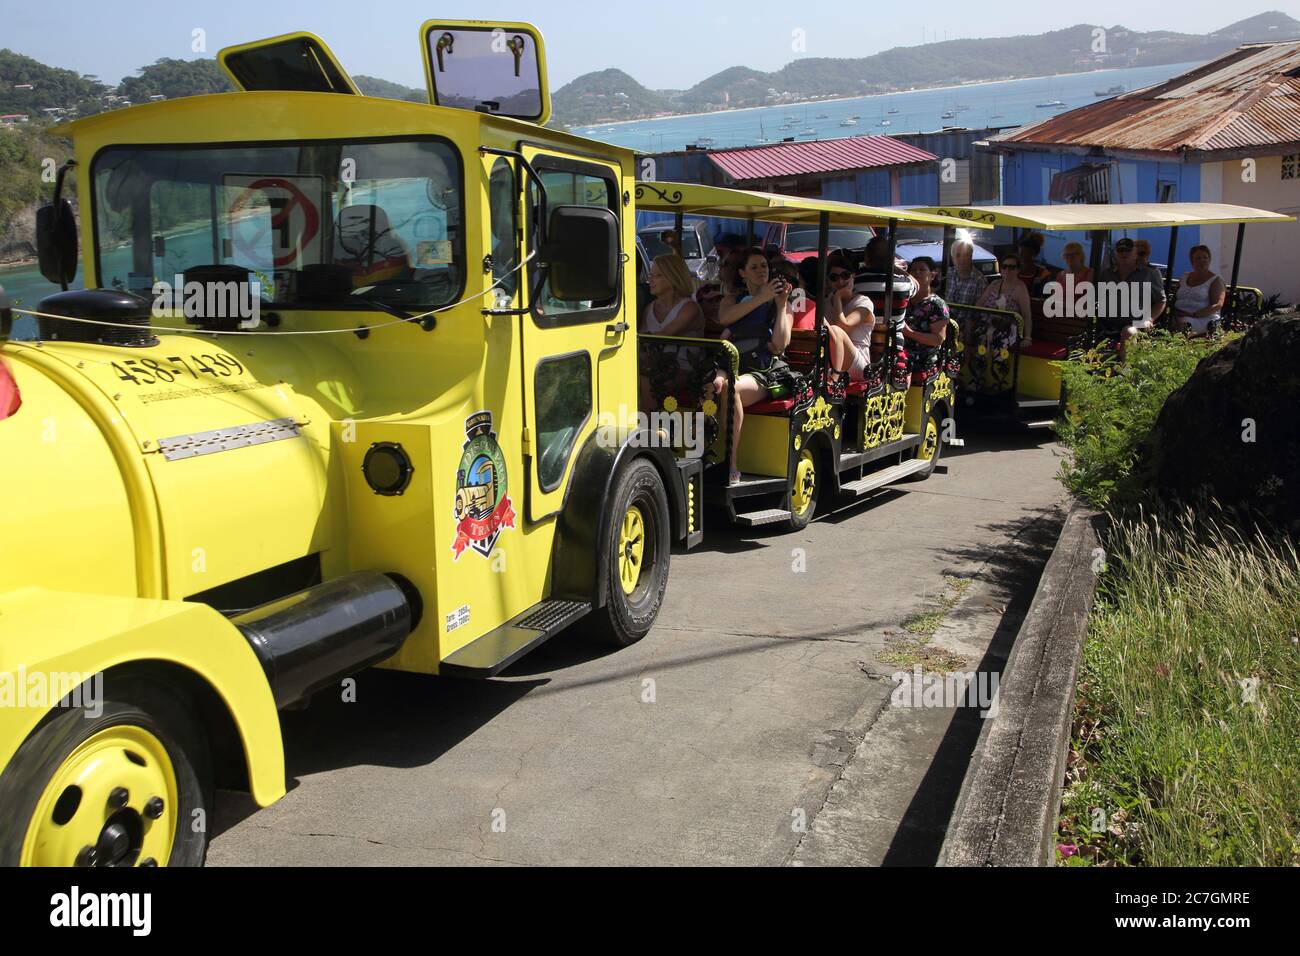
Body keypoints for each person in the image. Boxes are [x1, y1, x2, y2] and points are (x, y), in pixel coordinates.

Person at [712, 249, 796, 484]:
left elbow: (779, 345)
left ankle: (731, 462)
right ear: (742, 273)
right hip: (731, 362)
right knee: (712, 385)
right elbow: (726, 319)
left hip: (762, 370)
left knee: (731, 388)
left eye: (764, 266)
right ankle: (701, 454)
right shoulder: (732, 301)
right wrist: (761, 297)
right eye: (754, 267)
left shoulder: (781, 304)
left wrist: (779, 306)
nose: (761, 271)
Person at [1096, 236, 1166, 357]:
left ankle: (1125, 372)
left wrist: (1149, 318)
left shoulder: (1149, 273)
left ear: (1135, 254)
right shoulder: (1107, 274)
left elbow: (1161, 301)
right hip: (1107, 324)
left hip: (1136, 324)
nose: (1124, 253)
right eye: (1120, 250)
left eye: (1128, 250)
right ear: (1115, 254)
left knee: (1128, 331)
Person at [854, 235, 916, 360]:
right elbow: (917, 285)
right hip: (894, 347)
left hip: (864, 346)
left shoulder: (856, 282)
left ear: (867, 257)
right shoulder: (905, 284)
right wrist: (894, 267)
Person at [824, 253, 876, 382]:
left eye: (845, 276)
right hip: (829, 358)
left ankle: (833, 382)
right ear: (828, 281)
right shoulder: (826, 302)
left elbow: (843, 326)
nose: (840, 282)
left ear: (853, 276)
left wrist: (837, 297)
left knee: (836, 330)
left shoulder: (863, 302)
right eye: (834, 277)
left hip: (859, 363)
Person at [902, 257, 949, 380]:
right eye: (914, 270)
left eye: (922, 269)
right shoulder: (903, 300)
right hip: (901, 349)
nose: (917, 273)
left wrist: (909, 333)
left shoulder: (936, 304)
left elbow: (938, 339)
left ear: (932, 275)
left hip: (923, 356)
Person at [978, 254, 1033, 345]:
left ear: (1018, 270)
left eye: (1012, 267)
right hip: (986, 325)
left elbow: (1026, 315)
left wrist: (1027, 338)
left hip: (1006, 329)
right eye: (1004, 266)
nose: (1007, 270)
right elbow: (980, 303)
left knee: (994, 343)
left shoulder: (1020, 288)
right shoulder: (994, 284)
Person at [942, 237, 987, 348]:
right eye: (958, 255)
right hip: (946, 320)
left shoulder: (979, 279)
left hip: (968, 323)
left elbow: (978, 311)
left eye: (966, 255)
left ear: (971, 257)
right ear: (953, 259)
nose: (962, 259)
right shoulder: (948, 274)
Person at [1171, 245, 1225, 336]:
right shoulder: (1185, 277)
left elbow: (1217, 305)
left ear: (1209, 260)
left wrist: (1193, 314)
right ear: (1192, 261)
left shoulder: (1215, 280)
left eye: (1205, 257)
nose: (1202, 261)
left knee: (1182, 324)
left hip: (1202, 318)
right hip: (1178, 315)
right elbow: (1174, 297)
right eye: (1198, 258)